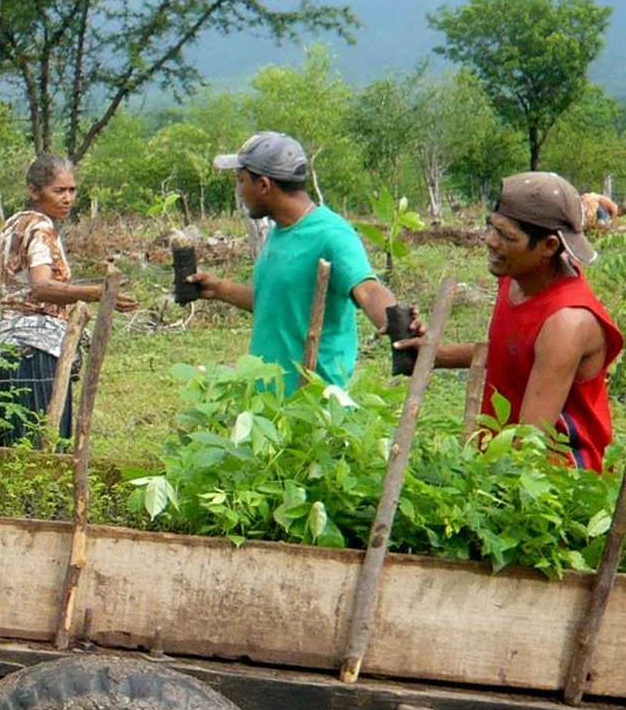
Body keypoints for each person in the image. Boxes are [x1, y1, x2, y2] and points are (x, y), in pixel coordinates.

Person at [432, 172, 621, 472]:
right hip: (502, 462)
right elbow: (511, 350)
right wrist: (430, 355)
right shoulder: (516, 276)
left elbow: (528, 444)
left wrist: (477, 483)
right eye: (492, 227)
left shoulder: (566, 323)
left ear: (548, 246)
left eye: (507, 237)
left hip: (555, 482)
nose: (490, 242)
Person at [192, 132, 403, 389]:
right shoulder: (280, 231)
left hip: (312, 406)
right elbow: (280, 303)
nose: (239, 190)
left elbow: (368, 290)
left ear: (264, 185)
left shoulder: (331, 234)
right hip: (270, 405)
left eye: (241, 180)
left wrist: (398, 325)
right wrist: (217, 288)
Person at [0, 154, 136, 446]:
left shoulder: (13, 224)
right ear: (34, 191)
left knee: (7, 442)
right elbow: (41, 287)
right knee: (41, 442)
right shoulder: (41, 228)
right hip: (37, 349)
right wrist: (99, 294)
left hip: (4, 345)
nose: (67, 198)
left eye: (71, 190)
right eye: (58, 191)